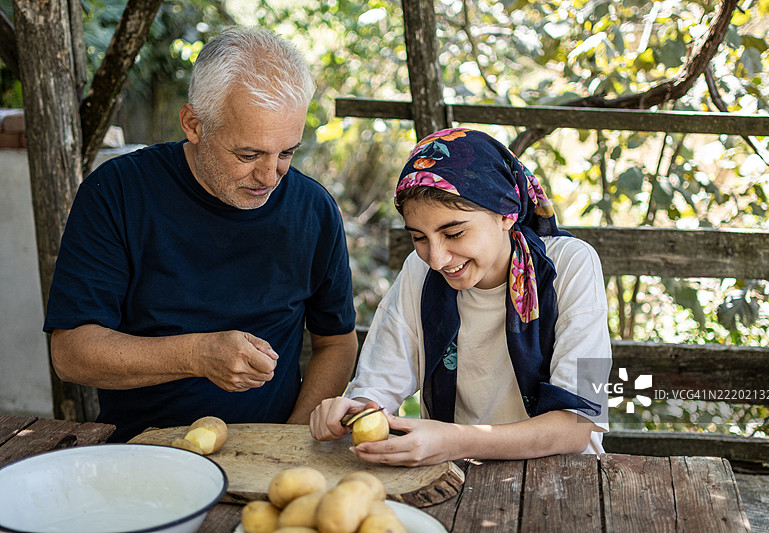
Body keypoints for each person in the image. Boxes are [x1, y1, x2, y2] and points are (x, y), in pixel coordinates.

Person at [44, 26, 358, 442]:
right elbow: (70, 354)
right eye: (248, 155)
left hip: (270, 453)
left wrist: (289, 443)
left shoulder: (313, 209)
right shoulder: (118, 192)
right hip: (142, 450)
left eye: (286, 153)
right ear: (194, 124)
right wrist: (197, 354)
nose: (269, 176)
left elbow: (336, 343)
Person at [310, 128, 611, 466]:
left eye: (454, 233)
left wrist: (455, 441)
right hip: (455, 474)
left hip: (564, 475)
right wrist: (355, 409)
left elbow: (580, 424)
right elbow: (378, 383)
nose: (437, 259)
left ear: (505, 214)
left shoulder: (574, 265)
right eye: (419, 238)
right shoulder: (419, 271)